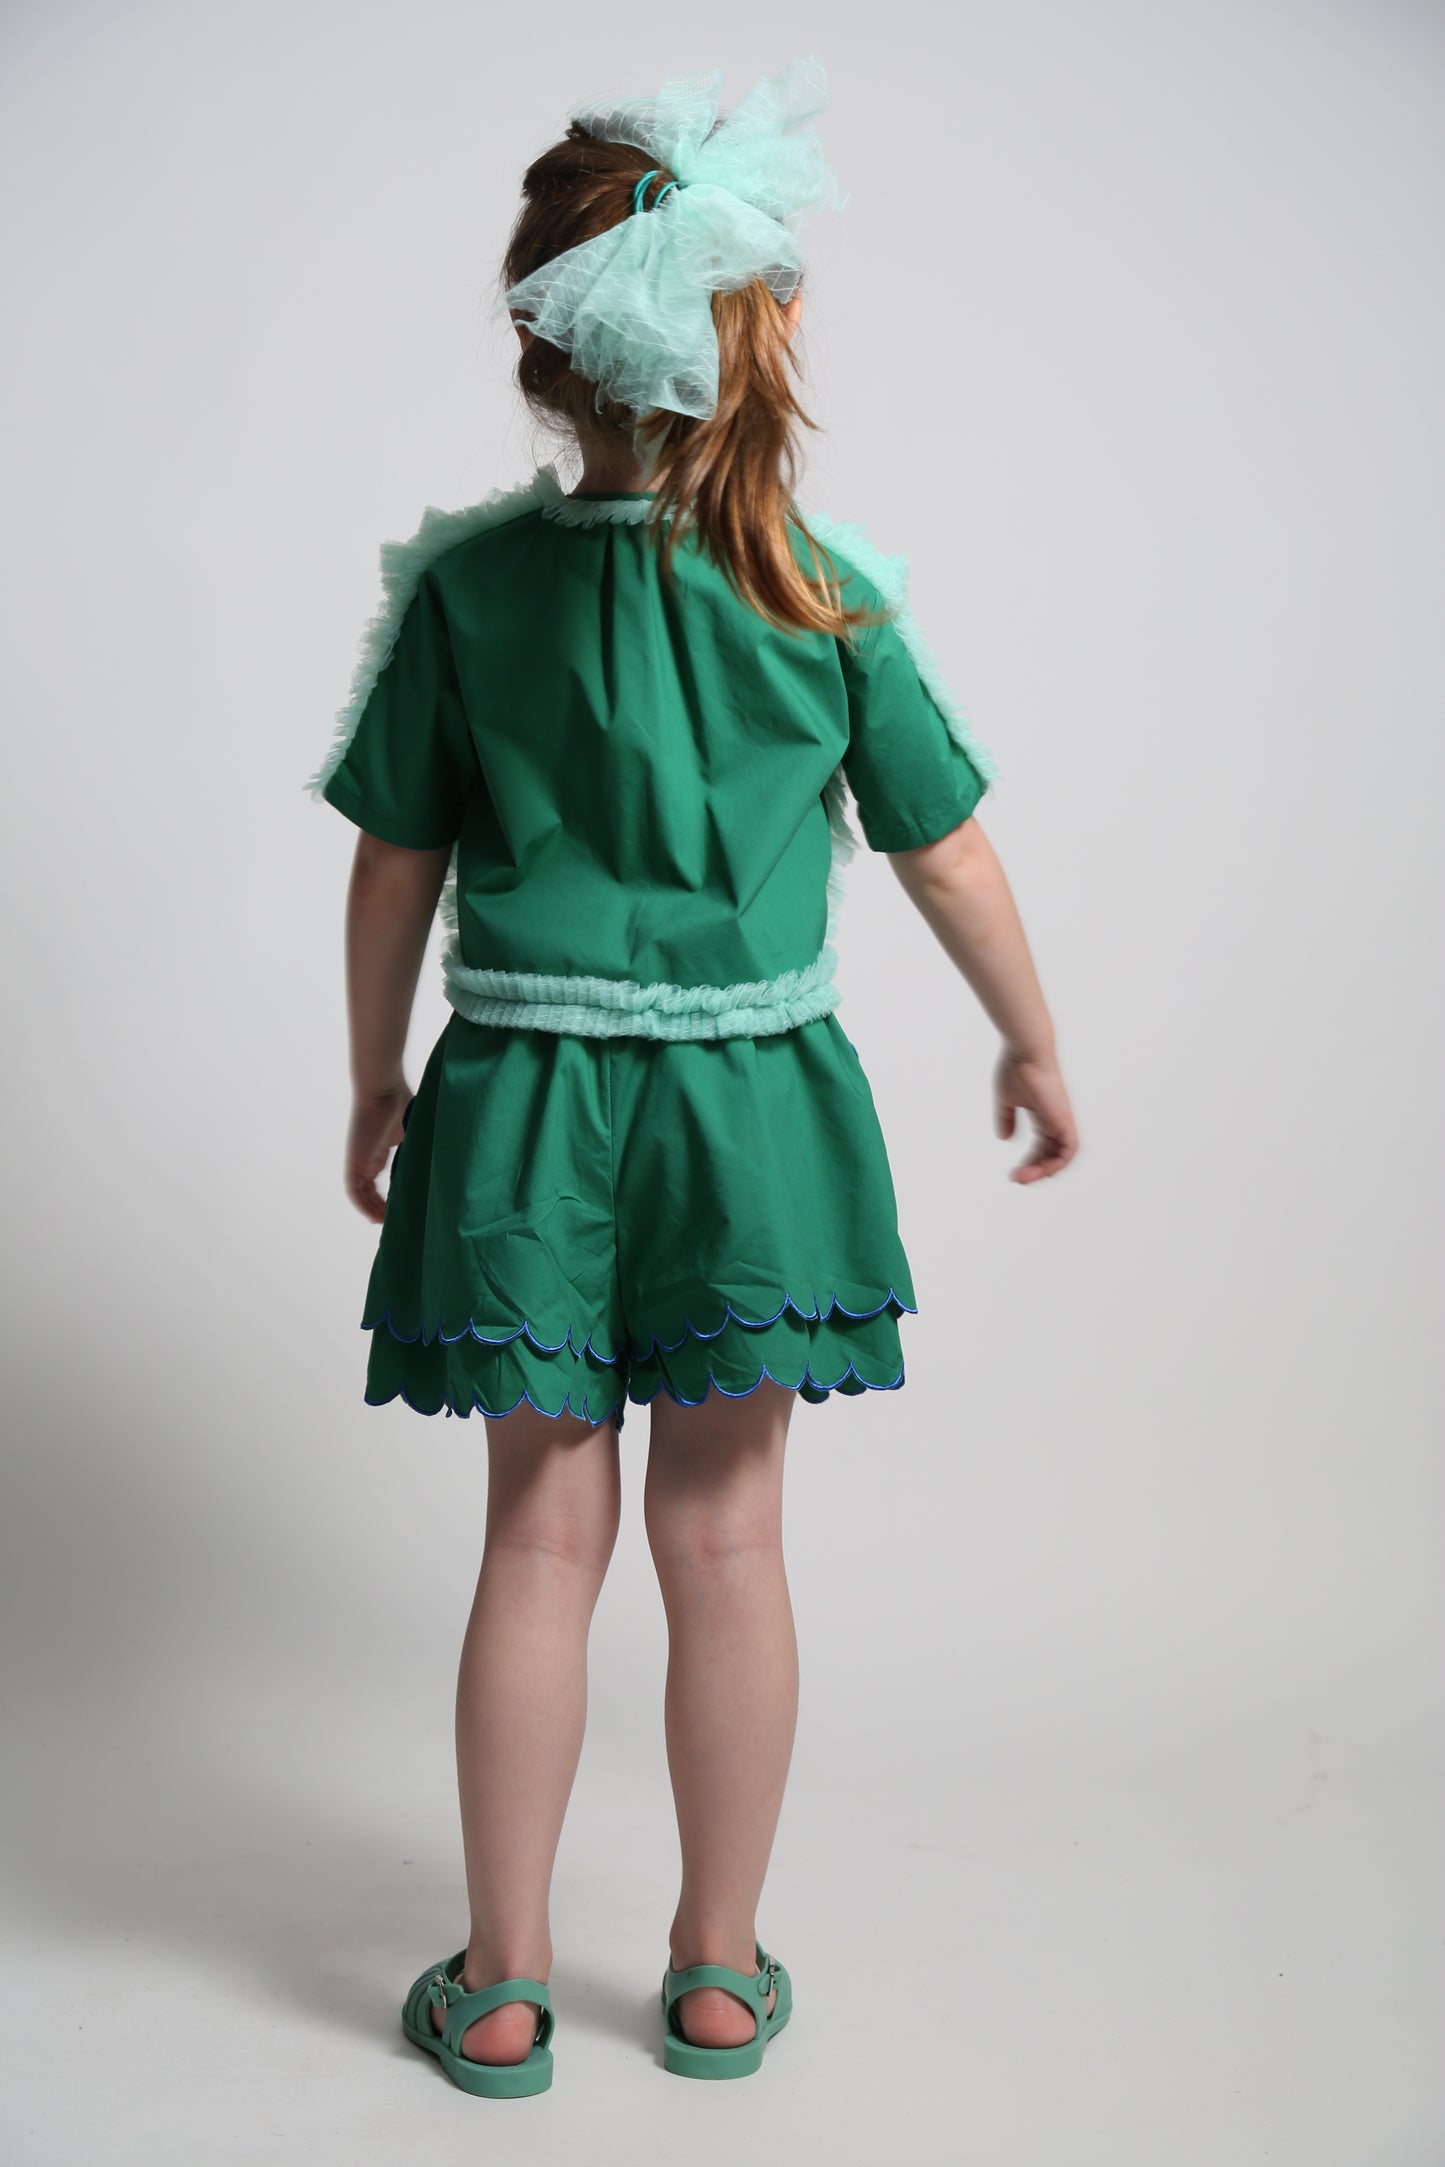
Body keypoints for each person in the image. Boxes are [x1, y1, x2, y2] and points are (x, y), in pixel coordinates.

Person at [307, 57, 1078, 2097]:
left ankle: (500, 1984)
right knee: (726, 1544)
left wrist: (375, 1076)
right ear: (756, 339)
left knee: (535, 1543)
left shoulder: (469, 593)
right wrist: (1027, 1031)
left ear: (544, 354)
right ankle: (718, 1971)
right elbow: (945, 849)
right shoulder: (823, 592)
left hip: (524, 1105)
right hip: (751, 1113)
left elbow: (394, 862)